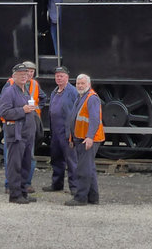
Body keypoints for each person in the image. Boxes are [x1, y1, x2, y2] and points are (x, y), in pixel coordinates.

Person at [0, 63, 38, 203]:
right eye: (21, 74)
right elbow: (4, 112)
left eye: (25, 74)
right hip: (16, 134)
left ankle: (23, 192)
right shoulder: (9, 92)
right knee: (15, 164)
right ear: (14, 76)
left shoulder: (25, 90)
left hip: (27, 133)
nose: (24, 76)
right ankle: (15, 195)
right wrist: (23, 110)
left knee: (26, 163)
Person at [64, 73, 105, 206]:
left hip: (87, 138)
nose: (80, 86)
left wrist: (89, 137)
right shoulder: (81, 97)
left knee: (83, 169)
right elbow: (74, 119)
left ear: (89, 84)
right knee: (89, 168)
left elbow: (94, 119)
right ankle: (93, 197)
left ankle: (80, 198)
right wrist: (71, 138)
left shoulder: (91, 98)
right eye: (78, 83)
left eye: (82, 83)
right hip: (80, 137)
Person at [46, 65, 78, 192]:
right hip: (55, 132)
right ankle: (56, 184)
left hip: (67, 132)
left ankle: (75, 187)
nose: (59, 78)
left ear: (67, 77)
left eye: (61, 76)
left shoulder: (72, 92)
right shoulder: (55, 91)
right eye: (57, 76)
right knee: (56, 159)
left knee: (71, 161)